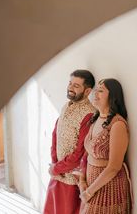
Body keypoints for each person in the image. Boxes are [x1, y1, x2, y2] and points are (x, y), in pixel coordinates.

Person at [43, 69, 96, 214]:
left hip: (71, 181)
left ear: (87, 91)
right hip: (57, 174)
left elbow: (80, 153)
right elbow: (56, 133)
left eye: (76, 86)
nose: (70, 88)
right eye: (70, 83)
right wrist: (54, 164)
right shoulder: (66, 106)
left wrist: (56, 168)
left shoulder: (89, 114)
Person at [79, 78, 132, 213]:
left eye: (100, 90)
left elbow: (114, 167)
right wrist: (82, 180)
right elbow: (87, 154)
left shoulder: (117, 124)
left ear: (112, 96)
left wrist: (89, 192)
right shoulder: (95, 119)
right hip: (91, 186)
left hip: (109, 187)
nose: (95, 93)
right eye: (95, 90)